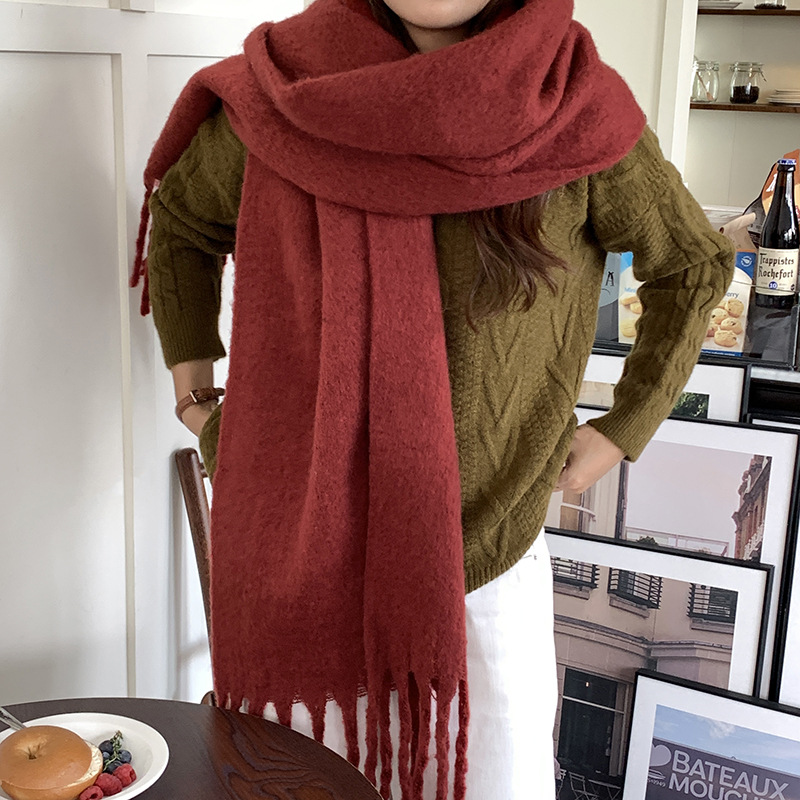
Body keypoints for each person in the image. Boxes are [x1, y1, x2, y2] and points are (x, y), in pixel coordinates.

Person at [132, 0, 735, 798]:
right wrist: (198, 396)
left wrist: (624, 428)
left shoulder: (574, 105)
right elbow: (180, 221)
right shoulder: (277, 99)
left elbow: (692, 265)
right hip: (298, 564)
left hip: (482, 569)